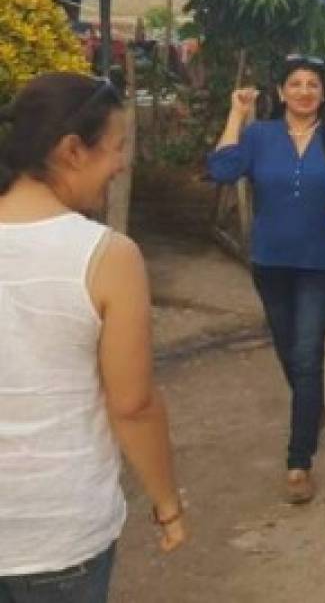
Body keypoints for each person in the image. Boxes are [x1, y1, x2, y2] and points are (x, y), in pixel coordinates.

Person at [1, 74, 186, 600]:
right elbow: (132, 404)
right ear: (72, 151)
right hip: (58, 532)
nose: (122, 163)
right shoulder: (107, 256)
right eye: (117, 147)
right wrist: (167, 503)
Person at [209, 54, 325, 504]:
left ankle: (298, 461)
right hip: (271, 261)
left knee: (308, 352)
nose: (305, 91)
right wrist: (236, 112)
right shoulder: (259, 135)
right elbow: (221, 169)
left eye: (313, 84)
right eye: (296, 83)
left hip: (323, 262)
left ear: (323, 94)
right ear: (281, 92)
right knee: (289, 348)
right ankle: (314, 407)